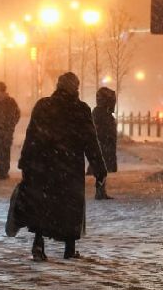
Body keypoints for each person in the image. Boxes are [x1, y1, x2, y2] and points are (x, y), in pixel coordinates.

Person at [18, 73, 106, 261]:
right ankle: (69, 248)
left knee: (44, 205)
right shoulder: (80, 109)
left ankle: (39, 243)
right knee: (71, 206)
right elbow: (91, 141)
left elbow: (32, 136)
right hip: (70, 166)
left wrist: (26, 161)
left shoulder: (43, 106)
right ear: (75, 88)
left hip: (45, 165)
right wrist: (99, 168)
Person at [91, 87, 117, 200]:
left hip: (106, 144)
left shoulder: (104, 113)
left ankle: (101, 190)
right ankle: (99, 191)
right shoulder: (100, 113)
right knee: (101, 168)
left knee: (103, 168)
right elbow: (99, 130)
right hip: (103, 144)